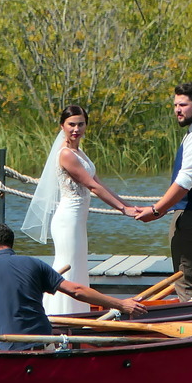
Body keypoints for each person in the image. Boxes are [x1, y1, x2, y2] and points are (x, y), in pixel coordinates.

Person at [0, 224, 147, 350]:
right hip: (43, 341)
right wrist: (121, 304)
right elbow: (78, 290)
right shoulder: (35, 263)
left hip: (10, 347)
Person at [22, 105, 136, 315]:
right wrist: (122, 209)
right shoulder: (66, 154)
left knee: (78, 267)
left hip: (78, 220)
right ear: (62, 126)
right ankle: (56, 316)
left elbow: (99, 182)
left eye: (80, 124)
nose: (76, 129)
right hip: (68, 219)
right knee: (68, 267)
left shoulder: (79, 151)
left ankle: (78, 314)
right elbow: (92, 187)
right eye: (71, 124)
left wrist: (128, 206)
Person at [134, 82, 192, 301]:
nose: (177, 109)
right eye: (175, 105)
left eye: (183, 105)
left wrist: (156, 210)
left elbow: (185, 181)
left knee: (187, 283)